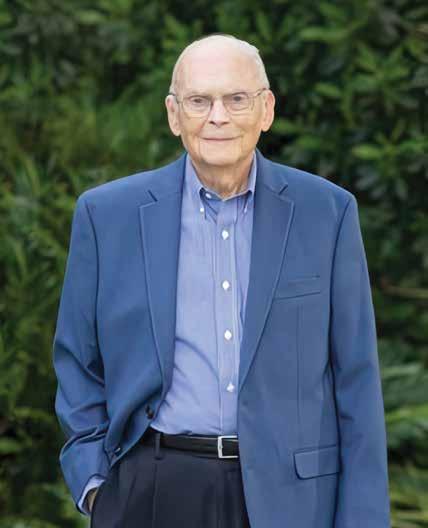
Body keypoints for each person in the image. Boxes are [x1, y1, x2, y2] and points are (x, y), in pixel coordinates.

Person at [52, 33, 391, 527]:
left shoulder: (328, 213)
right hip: (153, 493)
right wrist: (96, 486)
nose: (218, 116)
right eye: (199, 100)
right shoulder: (106, 216)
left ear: (266, 109)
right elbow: (77, 362)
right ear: (174, 115)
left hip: (294, 501)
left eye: (236, 99)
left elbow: (357, 381)